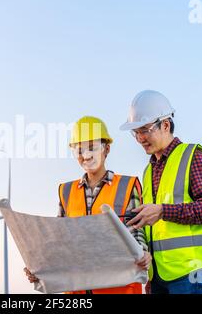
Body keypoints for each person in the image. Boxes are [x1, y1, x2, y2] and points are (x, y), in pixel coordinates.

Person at [24, 116, 151, 294]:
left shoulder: (127, 186)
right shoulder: (66, 191)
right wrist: (40, 269)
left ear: (106, 149)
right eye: (80, 150)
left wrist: (143, 253)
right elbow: (59, 241)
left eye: (92, 148)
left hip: (120, 289)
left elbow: (136, 232)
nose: (86, 155)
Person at [120, 90, 202, 294]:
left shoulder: (192, 156)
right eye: (136, 132)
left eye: (145, 130)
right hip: (158, 276)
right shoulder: (149, 170)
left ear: (165, 125)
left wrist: (163, 211)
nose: (140, 138)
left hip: (190, 274)